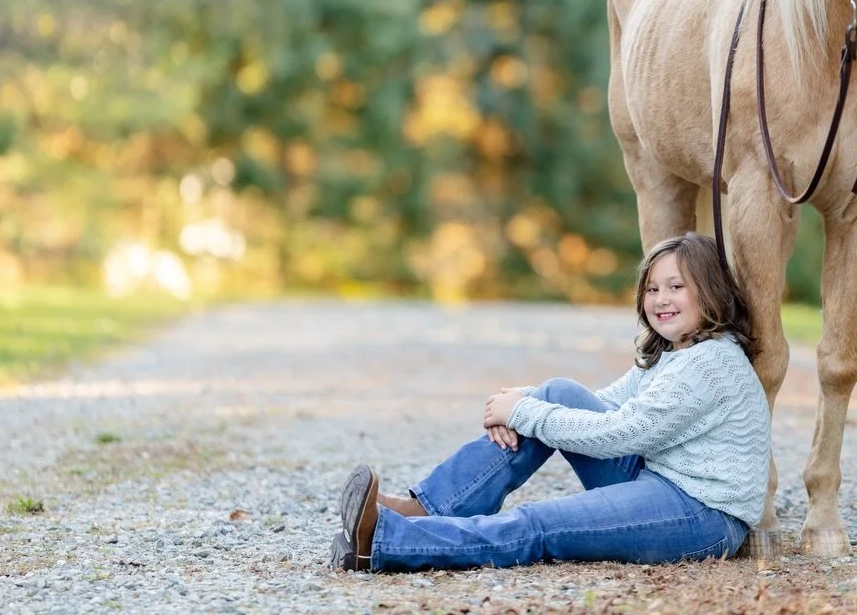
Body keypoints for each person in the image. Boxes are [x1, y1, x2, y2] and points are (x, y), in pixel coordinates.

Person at [329, 231, 771, 572]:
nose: (660, 299)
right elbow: (602, 404)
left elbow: (620, 433)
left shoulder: (710, 364)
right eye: (652, 288)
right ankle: (425, 509)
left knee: (540, 525)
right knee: (557, 392)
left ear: (709, 291)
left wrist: (523, 413)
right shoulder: (677, 352)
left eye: (676, 287)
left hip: (701, 516)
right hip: (658, 481)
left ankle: (387, 542)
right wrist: (528, 398)